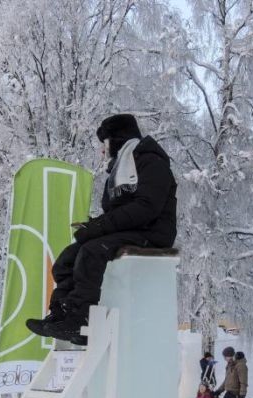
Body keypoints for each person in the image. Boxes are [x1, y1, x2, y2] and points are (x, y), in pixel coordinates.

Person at [26, 114, 177, 344]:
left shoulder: (151, 162)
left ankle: (80, 318)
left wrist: (100, 227)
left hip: (152, 232)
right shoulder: (120, 170)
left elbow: (146, 208)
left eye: (104, 143)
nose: (102, 151)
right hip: (132, 229)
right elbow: (116, 212)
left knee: (92, 252)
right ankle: (61, 313)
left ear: (116, 140)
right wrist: (96, 225)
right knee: (67, 258)